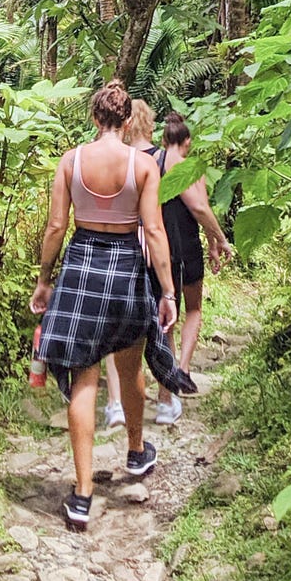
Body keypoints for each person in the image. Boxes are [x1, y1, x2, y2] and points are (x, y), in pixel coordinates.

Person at [30, 80, 189, 530]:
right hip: (125, 269)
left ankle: (81, 496)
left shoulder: (71, 161)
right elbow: (154, 233)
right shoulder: (142, 167)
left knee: (84, 379)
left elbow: (57, 226)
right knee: (130, 365)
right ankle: (136, 452)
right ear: (124, 121)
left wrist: (45, 281)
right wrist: (167, 291)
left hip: (81, 266)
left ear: (96, 118)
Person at [153, 112, 231, 426]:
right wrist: (219, 240)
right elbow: (201, 208)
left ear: (163, 139)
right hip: (185, 247)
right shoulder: (189, 167)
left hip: (159, 250)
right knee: (193, 309)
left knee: (166, 317)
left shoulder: (151, 163)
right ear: (187, 142)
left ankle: (167, 388)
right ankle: (181, 370)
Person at [101, 97, 158, 431]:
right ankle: (161, 397)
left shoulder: (102, 161)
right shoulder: (151, 163)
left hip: (109, 251)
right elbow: (154, 221)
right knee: (144, 332)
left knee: (112, 332)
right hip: (143, 251)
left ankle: (114, 403)